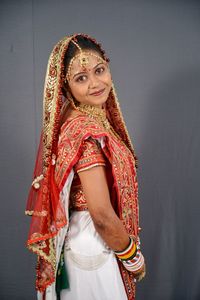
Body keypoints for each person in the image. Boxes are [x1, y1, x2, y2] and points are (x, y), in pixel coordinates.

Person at [25, 33, 146, 300]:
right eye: (81, 78)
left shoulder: (76, 118)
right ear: (66, 88)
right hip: (94, 251)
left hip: (82, 245)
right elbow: (101, 214)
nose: (95, 83)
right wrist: (132, 256)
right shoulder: (87, 132)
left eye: (99, 70)